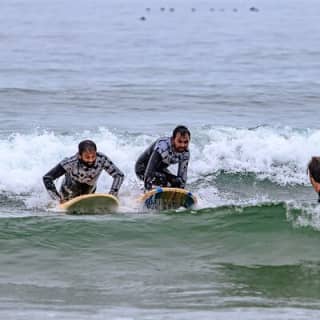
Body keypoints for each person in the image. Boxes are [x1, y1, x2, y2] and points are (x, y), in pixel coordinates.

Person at [43, 140, 124, 203]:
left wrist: (112, 193)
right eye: (87, 157)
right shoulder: (71, 162)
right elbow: (47, 178)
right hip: (68, 190)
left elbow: (119, 175)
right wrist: (58, 200)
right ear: (80, 155)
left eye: (93, 156)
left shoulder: (102, 159)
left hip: (89, 190)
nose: (91, 160)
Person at [135, 125, 190, 191]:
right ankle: (144, 190)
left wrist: (182, 194)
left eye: (186, 142)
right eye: (179, 141)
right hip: (142, 169)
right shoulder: (163, 146)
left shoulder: (185, 153)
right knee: (163, 179)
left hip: (159, 170)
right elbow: (149, 173)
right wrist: (147, 192)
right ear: (173, 139)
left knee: (177, 181)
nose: (182, 145)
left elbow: (182, 178)